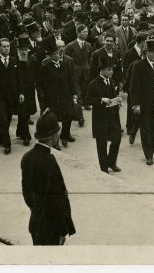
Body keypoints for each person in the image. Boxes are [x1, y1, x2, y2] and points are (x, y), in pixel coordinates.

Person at [21, 109, 76, 245]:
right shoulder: (49, 162)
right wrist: (62, 230)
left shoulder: (27, 158)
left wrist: (36, 210)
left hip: (36, 223)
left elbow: (27, 194)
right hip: (51, 228)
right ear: (53, 136)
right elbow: (57, 200)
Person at [130, 37, 154, 165]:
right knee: (146, 130)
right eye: (151, 52)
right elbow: (133, 87)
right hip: (144, 104)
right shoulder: (139, 66)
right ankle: (148, 155)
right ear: (146, 53)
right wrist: (135, 104)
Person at [85, 57, 123, 174]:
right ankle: (104, 168)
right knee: (101, 144)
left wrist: (118, 101)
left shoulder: (111, 81)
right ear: (101, 70)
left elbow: (113, 96)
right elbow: (87, 99)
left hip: (112, 117)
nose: (111, 72)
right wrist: (101, 100)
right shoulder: (94, 84)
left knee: (117, 138)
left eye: (112, 70)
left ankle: (111, 162)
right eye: (108, 70)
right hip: (100, 119)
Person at [0, 38, 24, 154]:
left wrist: (21, 93)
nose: (6, 48)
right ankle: (7, 144)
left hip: (12, 97)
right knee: (2, 119)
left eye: (8, 46)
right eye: (4, 46)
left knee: (7, 119)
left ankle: (1, 137)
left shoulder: (14, 61)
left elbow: (19, 79)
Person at [40, 35, 77, 149]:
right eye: (54, 54)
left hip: (66, 97)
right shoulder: (45, 67)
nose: (57, 56)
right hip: (52, 99)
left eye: (58, 53)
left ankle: (65, 135)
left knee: (68, 116)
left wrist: (74, 94)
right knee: (54, 121)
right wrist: (44, 103)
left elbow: (71, 80)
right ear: (50, 56)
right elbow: (42, 86)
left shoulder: (65, 65)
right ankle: (55, 142)